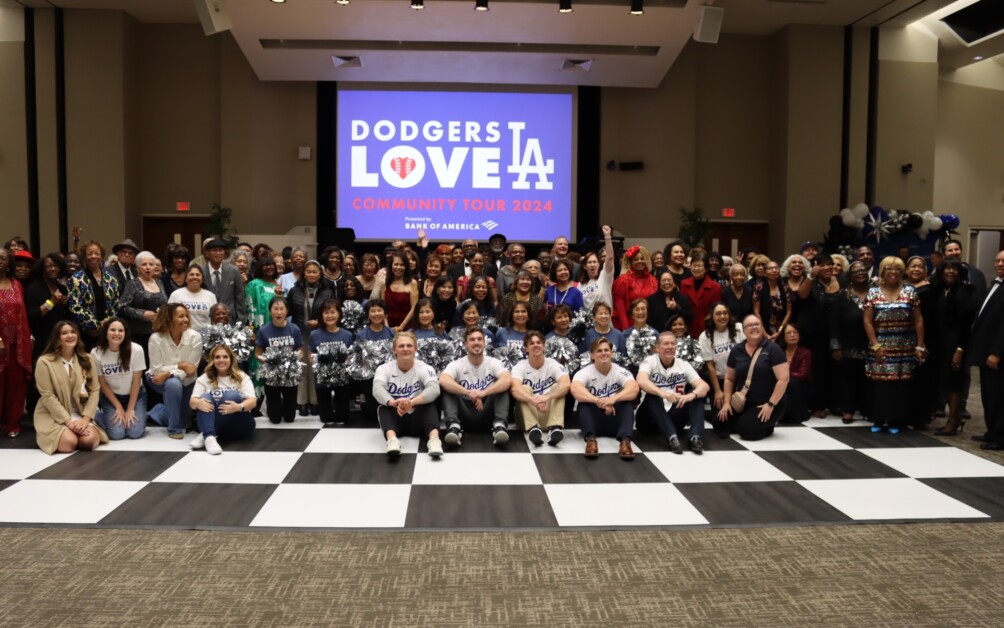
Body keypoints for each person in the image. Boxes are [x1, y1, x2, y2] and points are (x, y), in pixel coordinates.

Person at [863, 257, 925, 434]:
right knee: (880, 385)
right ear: (882, 271)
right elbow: (867, 322)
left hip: (904, 346)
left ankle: (895, 420)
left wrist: (919, 346)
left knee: (899, 386)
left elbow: (919, 320)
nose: (893, 272)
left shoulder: (910, 291)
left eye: (897, 269)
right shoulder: (873, 292)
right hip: (879, 346)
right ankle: (879, 418)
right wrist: (876, 345)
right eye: (889, 269)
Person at [33, 321, 109, 453]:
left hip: (81, 413)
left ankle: (78, 432)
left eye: (73, 332)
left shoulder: (87, 358)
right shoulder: (44, 362)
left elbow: (95, 390)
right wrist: (68, 422)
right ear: (57, 338)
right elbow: (48, 396)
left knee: (89, 441)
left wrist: (85, 419)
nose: (70, 335)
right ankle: (66, 434)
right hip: (54, 415)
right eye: (64, 333)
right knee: (69, 444)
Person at [715, 314, 789, 441]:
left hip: (768, 403)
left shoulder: (773, 349)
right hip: (743, 402)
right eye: (750, 325)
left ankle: (768, 426)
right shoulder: (737, 350)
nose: (754, 328)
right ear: (743, 330)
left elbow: (784, 379)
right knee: (719, 423)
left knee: (746, 431)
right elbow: (729, 379)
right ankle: (746, 419)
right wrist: (727, 403)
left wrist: (770, 404)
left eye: (757, 324)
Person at [637, 331, 710, 453]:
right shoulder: (650, 361)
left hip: (674, 415)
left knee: (697, 394)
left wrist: (690, 396)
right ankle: (672, 438)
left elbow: (704, 386)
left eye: (672, 344)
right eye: (666, 344)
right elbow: (641, 380)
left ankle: (695, 438)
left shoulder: (683, 364)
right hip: (649, 418)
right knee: (652, 395)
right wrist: (663, 393)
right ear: (657, 348)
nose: (670, 347)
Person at [440, 326, 513, 447]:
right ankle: (454, 427)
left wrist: (483, 393)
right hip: (464, 413)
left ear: (484, 343)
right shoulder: (457, 364)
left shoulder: (493, 362)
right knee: (448, 388)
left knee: (502, 387)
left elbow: (507, 379)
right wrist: (468, 392)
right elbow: (443, 380)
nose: (476, 342)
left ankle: (499, 426)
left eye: (479, 339)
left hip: (487, 411)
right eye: (472, 340)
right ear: (465, 344)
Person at [373, 332, 443, 458]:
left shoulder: (425, 368)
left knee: (431, 403)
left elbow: (434, 389)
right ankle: (392, 441)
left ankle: (434, 440)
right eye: (401, 346)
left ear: (415, 349)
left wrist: (412, 402)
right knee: (383, 407)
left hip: (418, 416)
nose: (405, 349)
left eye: (409, 346)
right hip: (397, 413)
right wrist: (393, 402)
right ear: (394, 350)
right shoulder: (384, 368)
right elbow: (377, 389)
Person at [571, 337, 640, 460]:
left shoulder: (620, 371)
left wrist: (613, 399)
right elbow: (575, 389)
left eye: (606, 350)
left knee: (627, 402)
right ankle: (591, 441)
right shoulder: (585, 372)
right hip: (595, 420)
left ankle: (625, 441)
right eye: (599, 351)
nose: (603, 353)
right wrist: (598, 401)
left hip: (615, 420)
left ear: (611, 353)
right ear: (592, 355)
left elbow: (634, 389)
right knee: (584, 403)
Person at [930, 259, 977, 436]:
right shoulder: (937, 290)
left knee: (954, 383)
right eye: (947, 269)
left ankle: (954, 420)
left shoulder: (967, 291)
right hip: (939, 344)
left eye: (954, 269)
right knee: (945, 382)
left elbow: (967, 325)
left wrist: (959, 350)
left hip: (956, 345)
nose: (950, 272)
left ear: (960, 273)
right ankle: (953, 419)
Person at [24, 252, 71, 417]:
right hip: (42, 339)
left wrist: (65, 304)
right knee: (41, 378)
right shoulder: (34, 288)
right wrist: (51, 302)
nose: (53, 269)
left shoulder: (62, 287)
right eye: (48, 266)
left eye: (56, 266)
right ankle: (36, 414)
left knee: (58, 378)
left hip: (60, 341)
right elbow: (32, 315)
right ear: (42, 269)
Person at [188, 343, 256, 455]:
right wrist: (198, 403)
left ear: (231, 359)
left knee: (232, 395)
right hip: (216, 427)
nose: (221, 360)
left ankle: (206, 434)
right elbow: (192, 402)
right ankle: (210, 438)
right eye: (217, 357)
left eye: (225, 357)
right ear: (212, 360)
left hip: (239, 425)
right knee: (204, 397)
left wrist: (239, 407)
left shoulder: (241, 376)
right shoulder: (204, 378)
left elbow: (253, 402)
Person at [147, 303, 202, 438]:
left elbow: (191, 369)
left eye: (186, 316)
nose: (186, 320)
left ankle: (159, 411)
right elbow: (157, 370)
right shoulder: (156, 338)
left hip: (188, 380)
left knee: (184, 421)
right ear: (169, 318)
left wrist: (169, 371)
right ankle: (174, 429)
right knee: (173, 384)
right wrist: (179, 366)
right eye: (181, 316)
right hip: (157, 380)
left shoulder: (195, 337)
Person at [969, 249, 1004, 450]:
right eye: (997, 260)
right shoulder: (995, 284)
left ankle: (999, 437)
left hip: (996, 354)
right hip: (985, 352)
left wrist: (996, 352)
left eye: (1003, 261)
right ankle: (992, 432)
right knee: (989, 395)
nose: (999, 264)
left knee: (998, 397)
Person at [288, 260, 333, 416]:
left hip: (319, 334)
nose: (312, 274)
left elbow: (331, 311)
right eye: (309, 272)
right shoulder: (295, 290)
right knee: (302, 367)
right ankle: (301, 402)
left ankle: (315, 402)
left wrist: (319, 322)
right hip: (300, 333)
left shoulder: (327, 291)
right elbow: (287, 309)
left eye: (315, 271)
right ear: (304, 274)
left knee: (315, 367)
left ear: (320, 274)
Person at [829, 261, 872, 424]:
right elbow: (834, 323)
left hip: (871, 344)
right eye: (856, 271)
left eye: (863, 270)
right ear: (850, 276)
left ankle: (869, 409)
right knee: (848, 379)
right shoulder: (843, 295)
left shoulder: (876, 293)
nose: (860, 273)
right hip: (848, 344)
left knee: (870, 378)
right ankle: (848, 410)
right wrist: (836, 346)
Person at [91, 317, 147, 440]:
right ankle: (97, 415)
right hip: (111, 397)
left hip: (135, 395)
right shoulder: (96, 353)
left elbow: (136, 382)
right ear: (106, 333)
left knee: (134, 433)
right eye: (113, 330)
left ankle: (146, 413)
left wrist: (130, 409)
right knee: (117, 434)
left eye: (121, 330)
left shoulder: (136, 350)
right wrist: (119, 407)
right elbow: (102, 383)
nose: (117, 334)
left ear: (125, 333)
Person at [511, 330, 569, 447]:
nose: (536, 345)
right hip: (526, 415)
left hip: (547, 411)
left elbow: (566, 384)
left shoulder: (553, 364)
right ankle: (533, 429)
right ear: (526, 349)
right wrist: (533, 400)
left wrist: (546, 397)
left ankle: (554, 428)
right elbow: (514, 389)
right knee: (524, 388)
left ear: (544, 346)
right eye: (531, 343)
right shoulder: (520, 366)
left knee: (558, 386)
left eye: (538, 342)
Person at [255, 296, 306, 424]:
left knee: (289, 418)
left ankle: (286, 406)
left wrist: (294, 359)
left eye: (282, 309)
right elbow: (258, 353)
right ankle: (274, 407)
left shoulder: (294, 329)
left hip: (290, 374)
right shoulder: (263, 330)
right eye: (275, 309)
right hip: (272, 374)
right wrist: (270, 362)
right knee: (275, 419)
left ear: (287, 311)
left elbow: (301, 349)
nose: (279, 312)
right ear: (270, 311)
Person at [0, 248, 32, 437]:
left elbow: (23, 316)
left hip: (17, 345)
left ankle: (13, 424)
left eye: (3, 258)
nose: (0, 261)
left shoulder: (16, 284)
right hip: (0, 344)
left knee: (16, 385)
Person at [66, 240, 120, 349]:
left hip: (108, 332)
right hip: (85, 333)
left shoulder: (111, 279)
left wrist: (105, 325)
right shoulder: (76, 279)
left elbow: (116, 305)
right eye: (89, 254)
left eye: (97, 253)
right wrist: (95, 326)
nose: (93, 256)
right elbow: (75, 307)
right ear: (84, 257)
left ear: (102, 256)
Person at [310, 299, 355, 424]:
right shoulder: (314, 334)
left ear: (339, 314)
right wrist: (319, 361)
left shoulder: (347, 335)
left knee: (343, 417)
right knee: (326, 418)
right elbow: (311, 356)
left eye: (333, 312)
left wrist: (345, 361)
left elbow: (351, 356)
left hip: (342, 378)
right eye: (326, 313)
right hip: (322, 379)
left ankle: (341, 412)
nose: (330, 315)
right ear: (321, 315)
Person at [118, 250, 167, 355]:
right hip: (139, 334)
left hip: (159, 331)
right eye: (144, 264)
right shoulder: (133, 284)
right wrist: (142, 315)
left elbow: (165, 304)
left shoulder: (160, 282)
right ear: (138, 268)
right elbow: (122, 307)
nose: (148, 267)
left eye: (151, 264)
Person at [699, 302, 744, 415]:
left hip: (739, 380)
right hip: (719, 381)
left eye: (725, 313)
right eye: (718, 314)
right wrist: (718, 391)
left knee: (737, 416)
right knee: (720, 422)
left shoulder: (739, 328)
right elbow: (710, 366)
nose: (722, 317)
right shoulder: (705, 336)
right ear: (712, 316)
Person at [612, 245, 657, 330]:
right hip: (630, 326)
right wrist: (627, 330)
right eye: (636, 259)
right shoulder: (623, 280)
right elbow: (619, 308)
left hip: (649, 326)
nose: (640, 261)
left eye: (642, 258)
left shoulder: (653, 280)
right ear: (630, 262)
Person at [679, 249, 722, 338]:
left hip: (706, 328)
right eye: (694, 265)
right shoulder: (684, 283)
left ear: (706, 268)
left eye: (699, 266)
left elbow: (715, 311)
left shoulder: (715, 287)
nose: (696, 269)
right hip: (687, 327)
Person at [203, 238, 246, 325]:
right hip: (207, 321)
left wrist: (240, 322)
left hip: (230, 321)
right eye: (214, 251)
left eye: (220, 250)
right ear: (207, 254)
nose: (218, 253)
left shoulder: (234, 271)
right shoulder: (201, 272)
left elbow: (239, 299)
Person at [167, 265, 217, 333]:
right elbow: (168, 317)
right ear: (186, 278)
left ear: (202, 279)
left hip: (206, 338)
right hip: (182, 336)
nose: (194, 277)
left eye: (197, 275)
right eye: (191, 274)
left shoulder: (211, 296)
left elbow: (214, 320)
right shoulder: (176, 295)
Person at [779, 323, 812, 424]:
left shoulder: (806, 353)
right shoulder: (778, 351)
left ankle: (795, 415)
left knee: (792, 383)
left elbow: (802, 375)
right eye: (789, 333)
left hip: (800, 386)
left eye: (795, 332)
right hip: (781, 384)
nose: (792, 335)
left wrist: (784, 375)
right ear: (783, 336)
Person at [578, 225, 615, 311]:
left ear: (599, 264)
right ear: (584, 266)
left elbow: (610, 258)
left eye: (595, 262)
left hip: (605, 320)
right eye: (589, 262)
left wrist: (608, 237)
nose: (592, 265)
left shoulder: (605, 277)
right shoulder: (580, 285)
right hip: (588, 323)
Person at [380, 251, 420, 331]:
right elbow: (382, 308)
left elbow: (414, 308)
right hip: (388, 325)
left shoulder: (412, 283)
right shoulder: (384, 284)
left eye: (402, 265)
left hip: (407, 326)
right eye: (396, 264)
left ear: (406, 267)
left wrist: (401, 326)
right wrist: (387, 327)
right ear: (391, 266)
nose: (398, 267)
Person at [754, 260, 790, 343]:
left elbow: (789, 312)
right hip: (763, 329)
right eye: (770, 268)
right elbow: (756, 312)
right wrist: (764, 333)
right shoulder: (759, 288)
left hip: (781, 330)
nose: (774, 270)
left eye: (776, 268)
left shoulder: (785, 288)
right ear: (765, 273)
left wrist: (779, 331)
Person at [648, 269, 693, 334]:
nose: (666, 283)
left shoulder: (682, 298)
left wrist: (677, 308)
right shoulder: (652, 300)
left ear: (674, 283)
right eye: (663, 280)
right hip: (658, 336)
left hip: (679, 337)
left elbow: (689, 318)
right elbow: (649, 322)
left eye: (669, 280)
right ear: (659, 284)